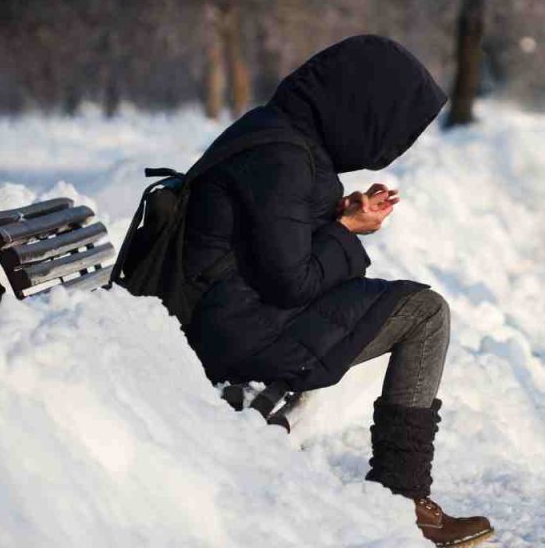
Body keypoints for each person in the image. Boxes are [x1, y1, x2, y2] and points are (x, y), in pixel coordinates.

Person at [182, 35, 494, 546]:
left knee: (414, 307)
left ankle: (401, 492)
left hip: (239, 312)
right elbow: (291, 280)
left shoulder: (283, 136)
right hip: (243, 331)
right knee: (424, 312)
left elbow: (272, 239)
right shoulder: (282, 156)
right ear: (358, 103)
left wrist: (336, 216)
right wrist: (346, 229)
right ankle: (401, 497)